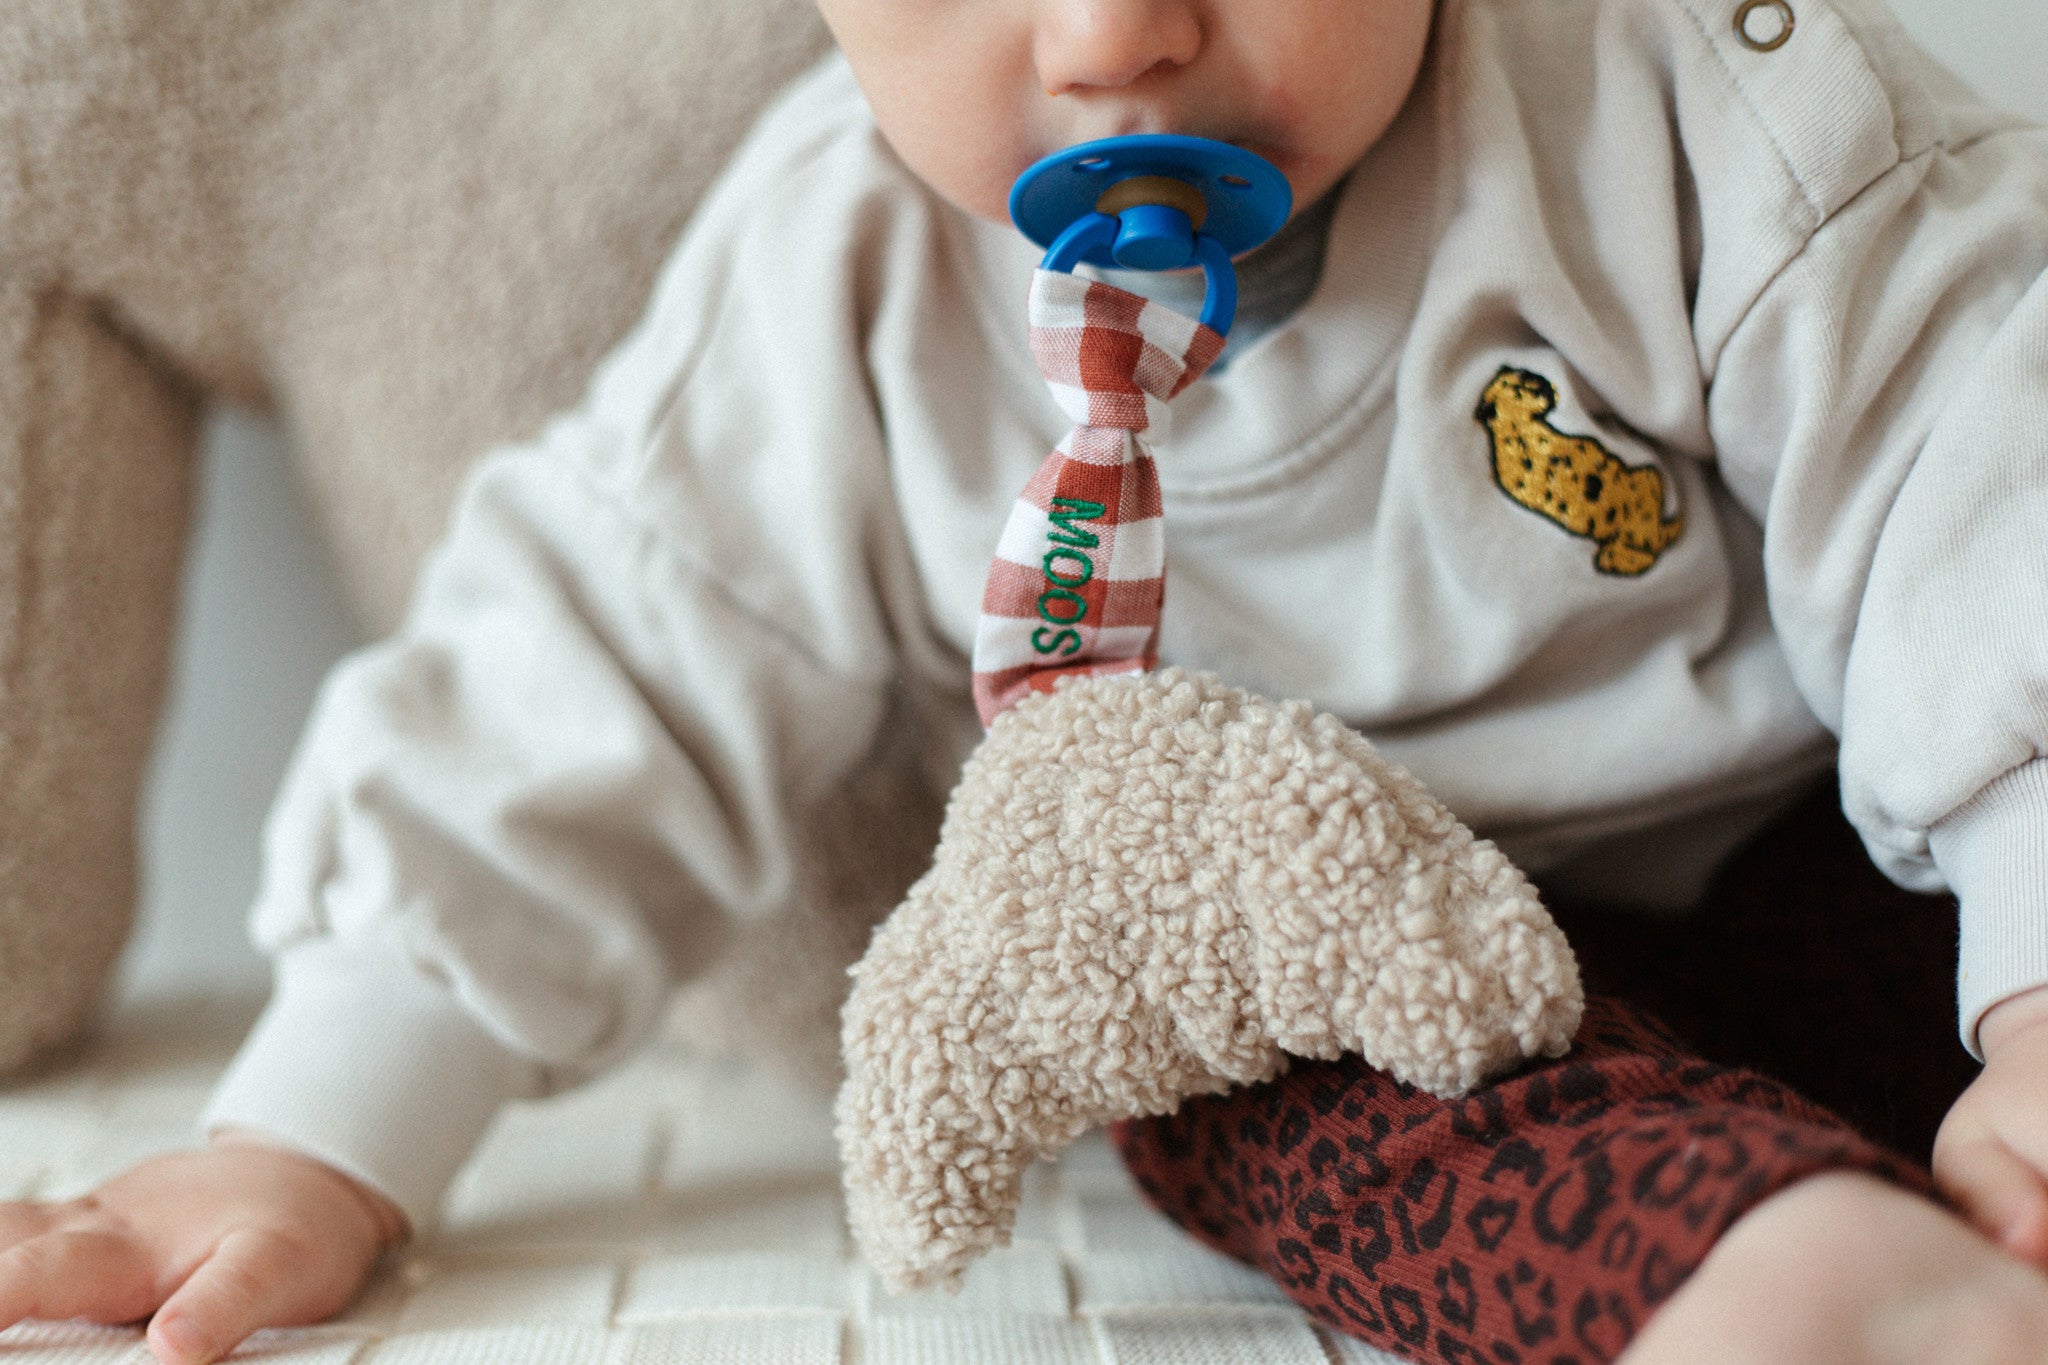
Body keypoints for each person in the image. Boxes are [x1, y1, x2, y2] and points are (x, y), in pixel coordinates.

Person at [4, 0, 2048, 1360]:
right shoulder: (843, 276)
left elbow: (1983, 478)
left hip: (1845, 865)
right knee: (1192, 1070)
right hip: (1324, 980)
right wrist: (314, 1126)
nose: (1109, 35)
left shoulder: (1686, 101)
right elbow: (586, 660)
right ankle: (1762, 1262)